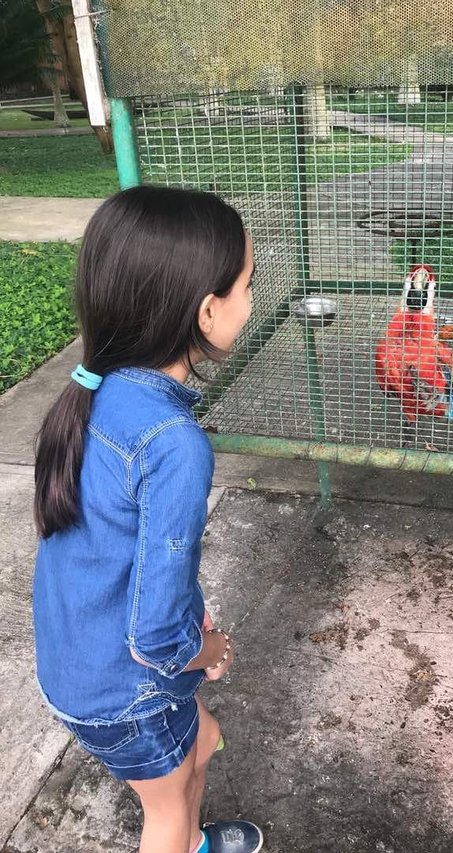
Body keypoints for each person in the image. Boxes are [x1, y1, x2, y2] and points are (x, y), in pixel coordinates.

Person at [32, 185, 263, 853]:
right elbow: (157, 637)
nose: (250, 303)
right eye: (247, 286)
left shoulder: (96, 390)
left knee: (201, 743)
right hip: (121, 687)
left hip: (75, 660)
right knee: (168, 803)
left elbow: (122, 554)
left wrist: (196, 622)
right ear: (207, 309)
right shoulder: (173, 443)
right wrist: (207, 649)